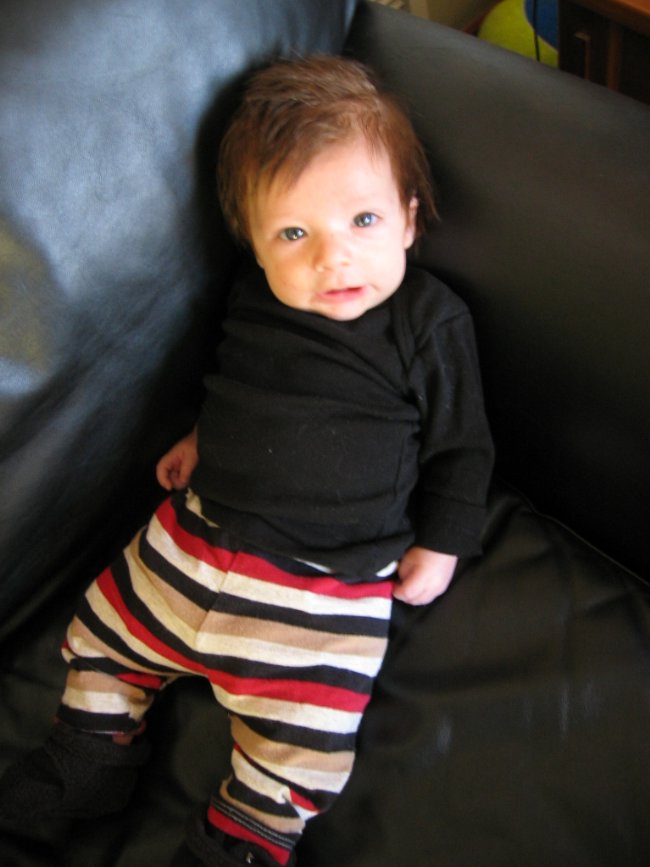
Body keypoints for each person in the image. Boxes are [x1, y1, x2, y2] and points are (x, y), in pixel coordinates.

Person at [0, 55, 493, 867]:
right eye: (294, 233)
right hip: (193, 538)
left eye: (364, 220)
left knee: (302, 741)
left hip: (323, 587)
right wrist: (201, 438)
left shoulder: (429, 321)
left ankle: (244, 833)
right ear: (255, 244)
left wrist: (442, 542)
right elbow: (235, 382)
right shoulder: (254, 296)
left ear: (409, 219)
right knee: (101, 632)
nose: (333, 258)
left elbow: (463, 445)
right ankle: (87, 754)